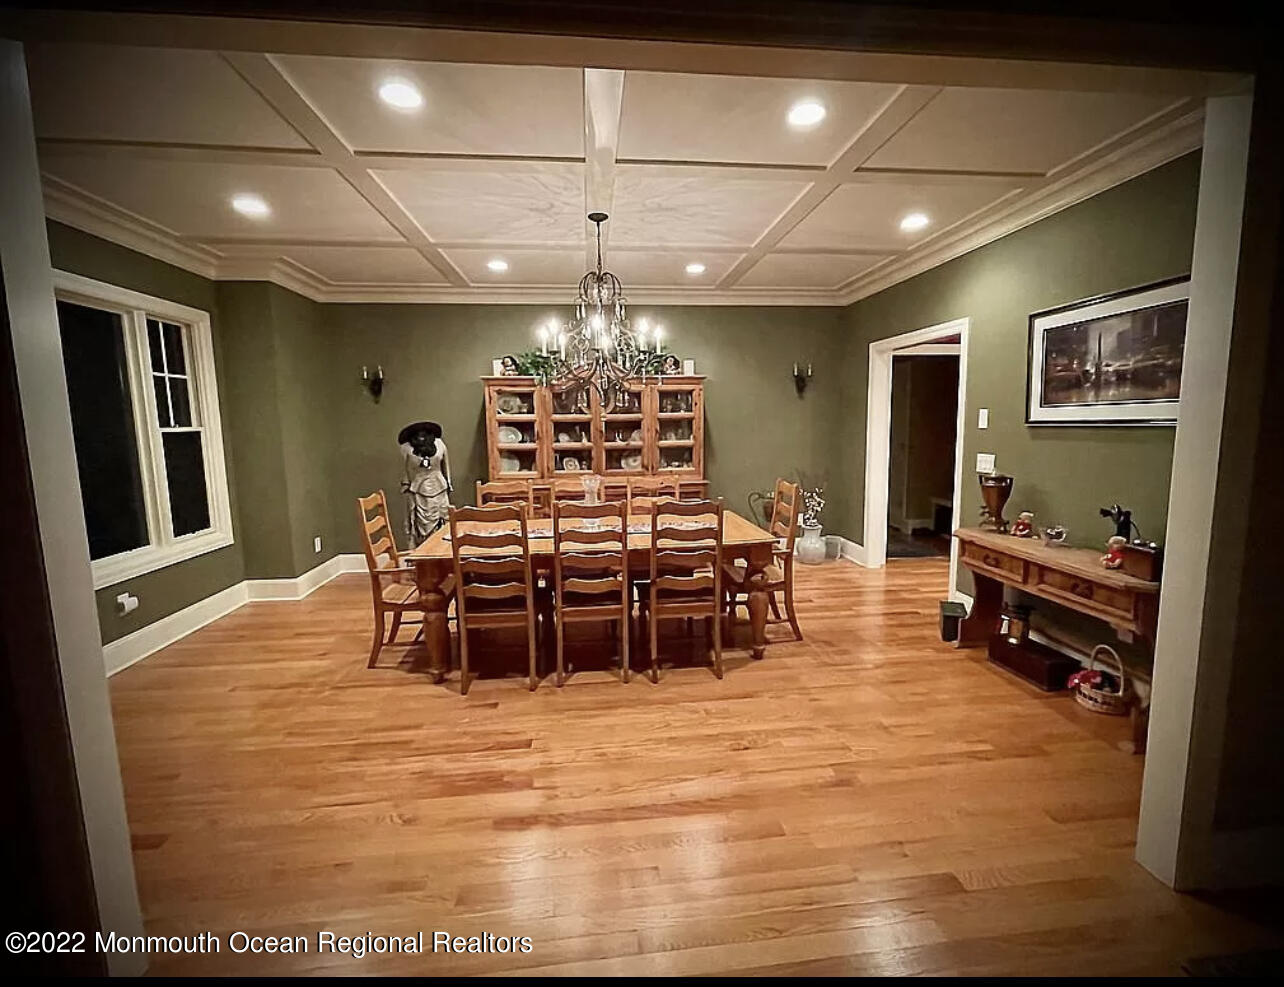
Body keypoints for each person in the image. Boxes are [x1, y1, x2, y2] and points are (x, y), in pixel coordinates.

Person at [398, 421, 452, 546]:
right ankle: (422, 558)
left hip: (440, 491)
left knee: (444, 524)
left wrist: (448, 482)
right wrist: (406, 486)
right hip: (418, 492)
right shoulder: (406, 448)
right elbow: (403, 470)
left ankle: (444, 556)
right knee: (419, 527)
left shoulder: (439, 444)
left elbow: (446, 466)